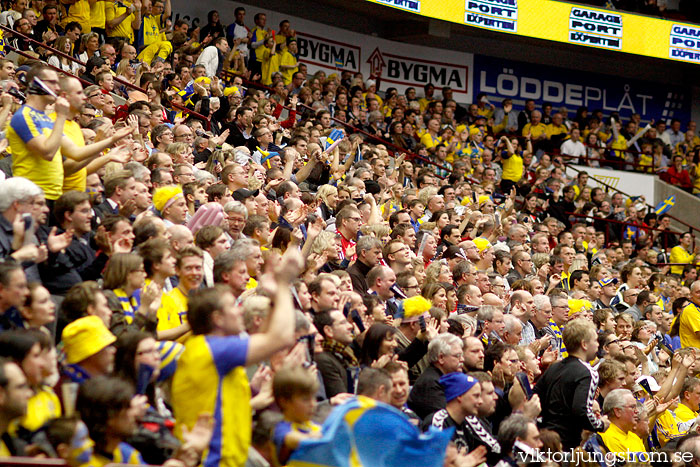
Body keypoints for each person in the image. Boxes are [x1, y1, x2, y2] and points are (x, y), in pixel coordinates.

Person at [171, 250, 303, 467]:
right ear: (217, 319)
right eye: (233, 307)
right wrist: (283, 285)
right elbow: (281, 337)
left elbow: (263, 339)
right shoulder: (213, 350)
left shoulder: (207, 348)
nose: (240, 311)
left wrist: (273, 300)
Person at [534, 318, 607, 449]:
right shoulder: (588, 372)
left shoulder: (553, 368)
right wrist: (600, 424)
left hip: (545, 439)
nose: (598, 345)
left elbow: (535, 399)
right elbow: (581, 410)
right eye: (595, 340)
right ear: (584, 344)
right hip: (568, 443)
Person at [271, 366, 321, 465]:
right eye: (305, 399)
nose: (313, 404)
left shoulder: (315, 426)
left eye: (314, 398)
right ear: (284, 402)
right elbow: (294, 440)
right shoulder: (280, 429)